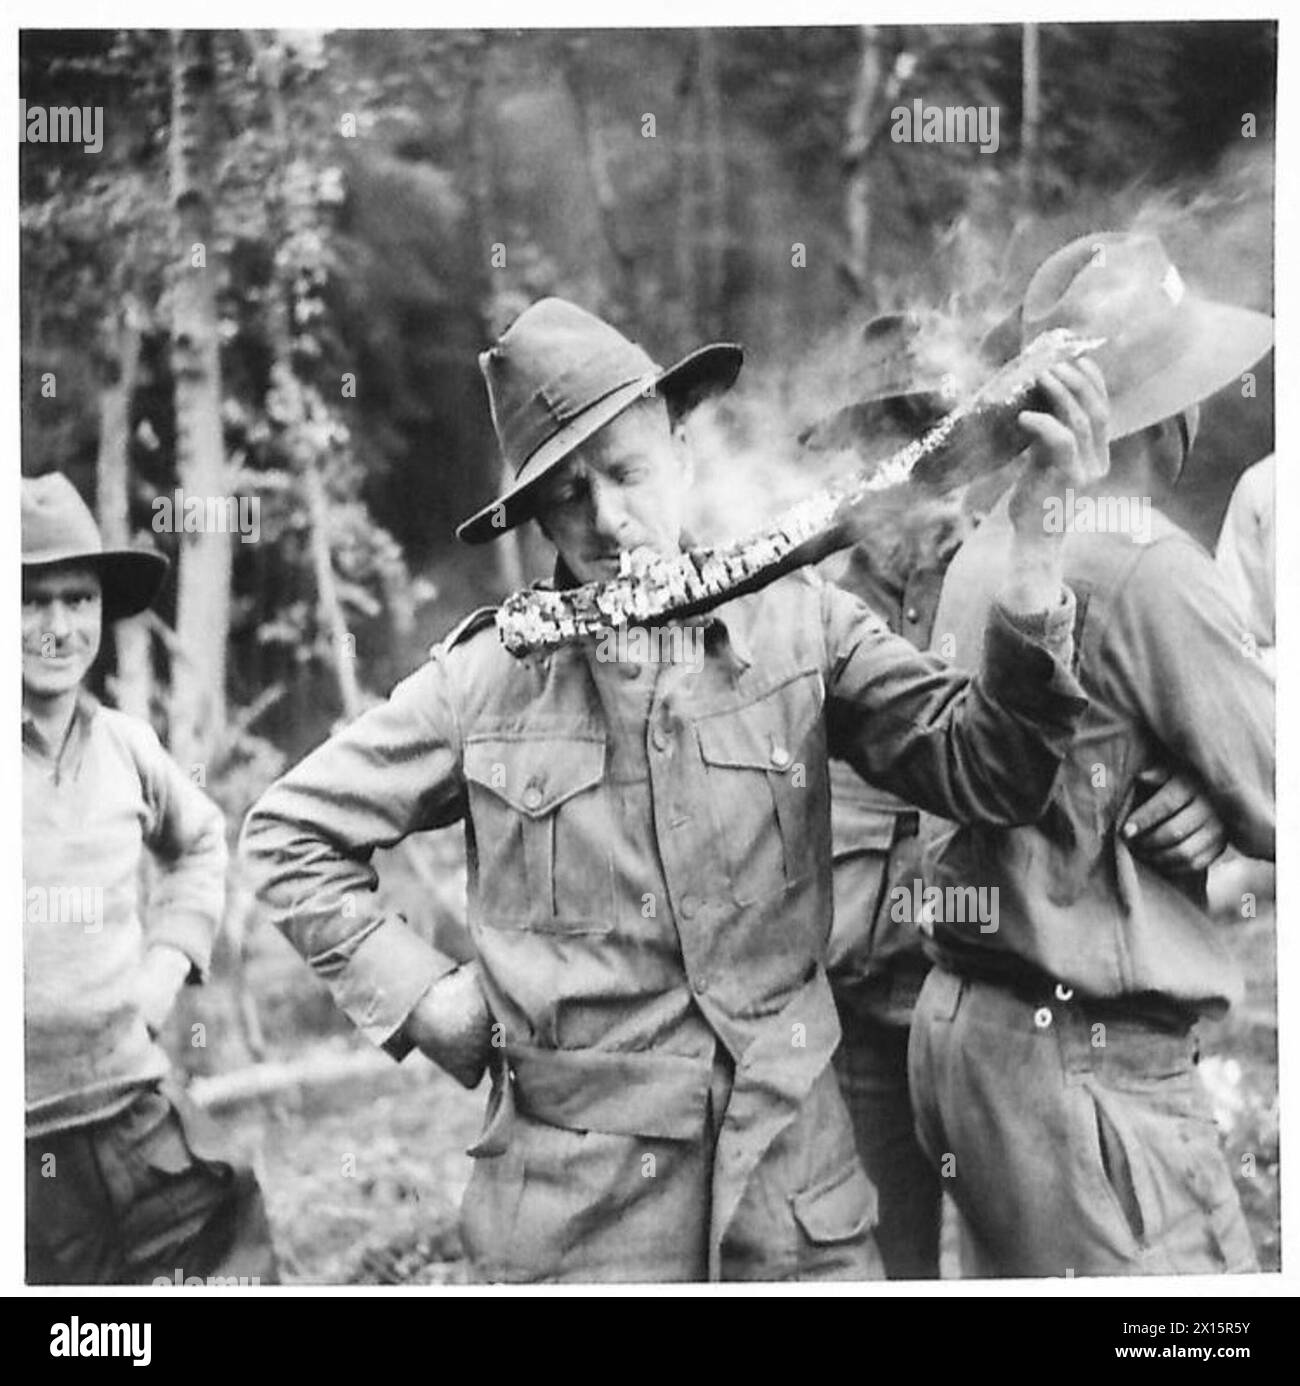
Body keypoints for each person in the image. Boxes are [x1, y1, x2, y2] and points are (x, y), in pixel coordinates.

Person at [243, 294, 1105, 1283]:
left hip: (795, 1215)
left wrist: (1036, 557)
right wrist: (424, 996)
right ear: (532, 516)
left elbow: (992, 770)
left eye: (626, 473)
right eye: (566, 496)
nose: (606, 521)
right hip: (579, 1231)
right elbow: (286, 832)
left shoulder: (800, 629)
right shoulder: (482, 681)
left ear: (683, 455)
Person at [908, 231, 1275, 1277]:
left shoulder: (988, 552)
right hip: (1090, 1074)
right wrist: (1241, 825)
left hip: (973, 1045)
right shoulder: (1155, 568)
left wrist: (1227, 806)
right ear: (1177, 405)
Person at [23, 473, 277, 1286]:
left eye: (77, 599)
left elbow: (202, 843)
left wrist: (167, 967)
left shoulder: (127, 747)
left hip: (132, 1106)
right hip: (21, 1140)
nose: (58, 628)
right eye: (31, 601)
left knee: (231, 1234)